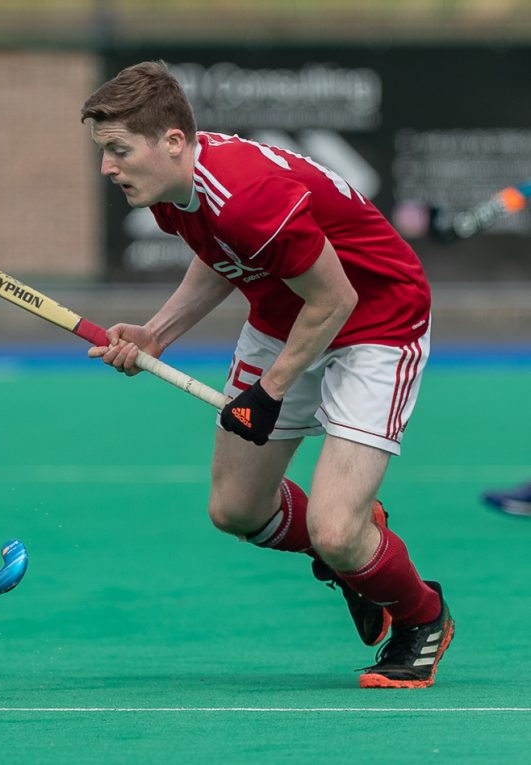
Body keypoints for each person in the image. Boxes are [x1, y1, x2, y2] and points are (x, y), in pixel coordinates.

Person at [81, 61, 453, 688]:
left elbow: (336, 300)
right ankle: (357, 556)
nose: (107, 167)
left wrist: (270, 391)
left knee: (335, 528)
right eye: (103, 151)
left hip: (374, 323)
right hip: (286, 318)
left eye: (118, 150)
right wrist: (158, 333)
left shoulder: (246, 196)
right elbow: (222, 255)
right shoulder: (177, 189)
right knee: (236, 509)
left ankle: (422, 616)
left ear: (173, 141)